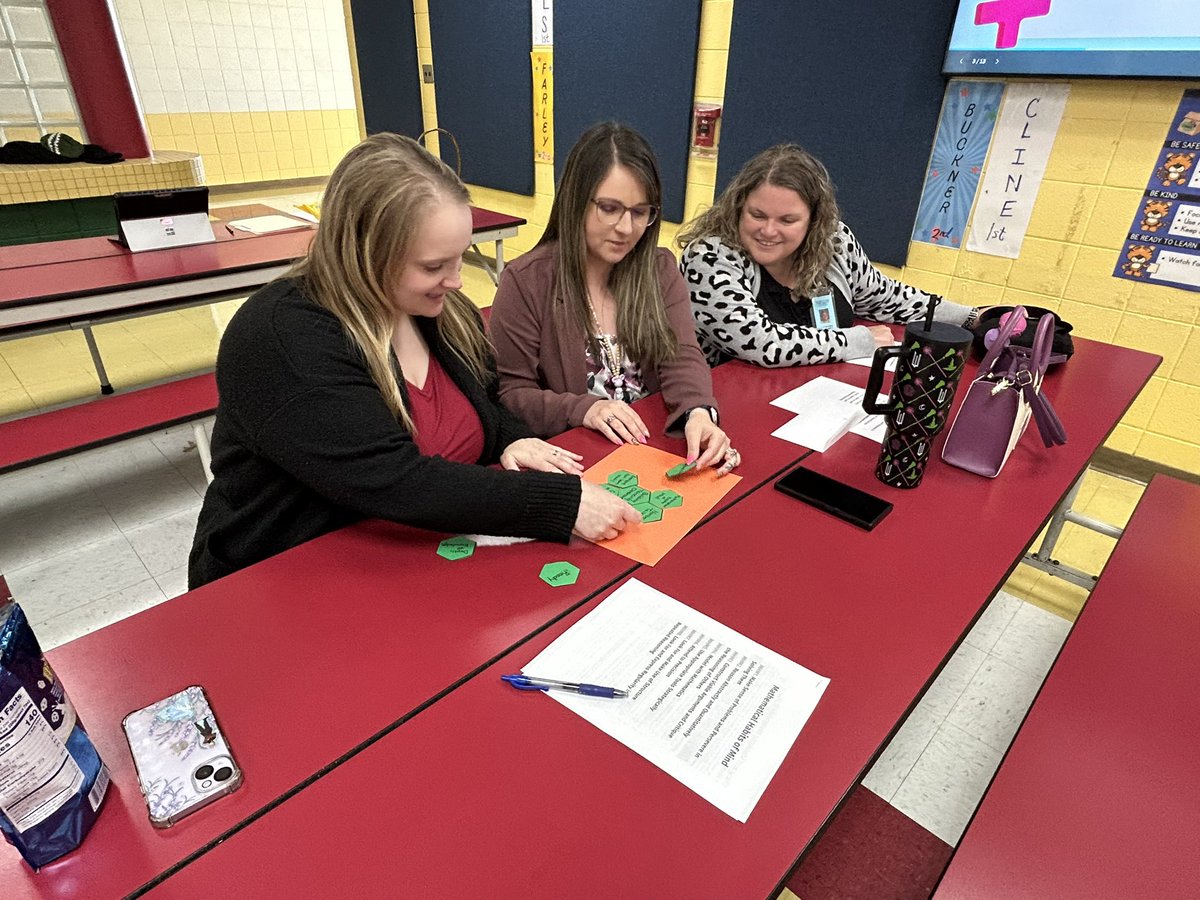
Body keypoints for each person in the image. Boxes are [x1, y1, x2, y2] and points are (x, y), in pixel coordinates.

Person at [188, 133, 638, 588]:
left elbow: (485, 402)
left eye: (459, 258)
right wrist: (562, 503)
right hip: (285, 578)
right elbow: (393, 480)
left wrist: (510, 438)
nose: (456, 281)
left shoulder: (440, 313)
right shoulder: (283, 337)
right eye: (433, 266)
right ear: (365, 253)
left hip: (416, 559)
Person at [489, 122, 740, 474]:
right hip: (576, 459)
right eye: (609, 208)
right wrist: (584, 409)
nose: (625, 228)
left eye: (640, 212)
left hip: (652, 450)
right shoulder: (526, 281)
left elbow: (681, 355)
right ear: (576, 201)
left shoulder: (659, 269)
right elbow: (511, 394)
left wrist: (699, 411)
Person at [678, 144, 982, 367]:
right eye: (757, 215)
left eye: (787, 220)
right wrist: (857, 341)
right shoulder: (709, 257)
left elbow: (884, 297)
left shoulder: (833, 240)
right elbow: (761, 343)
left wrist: (971, 317)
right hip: (723, 405)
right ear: (737, 207)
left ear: (814, 221)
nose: (768, 231)